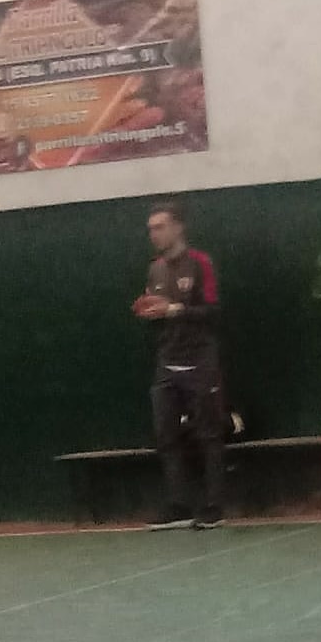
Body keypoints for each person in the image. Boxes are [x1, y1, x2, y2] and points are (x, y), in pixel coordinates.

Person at [131, 200, 225, 530]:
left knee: (208, 434)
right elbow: (156, 310)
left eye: (160, 227)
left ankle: (214, 507)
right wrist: (149, 311)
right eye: (150, 229)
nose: (154, 234)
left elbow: (213, 311)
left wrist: (173, 310)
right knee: (166, 435)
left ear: (178, 227)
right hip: (166, 363)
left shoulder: (200, 263)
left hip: (200, 361)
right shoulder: (154, 268)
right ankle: (179, 505)